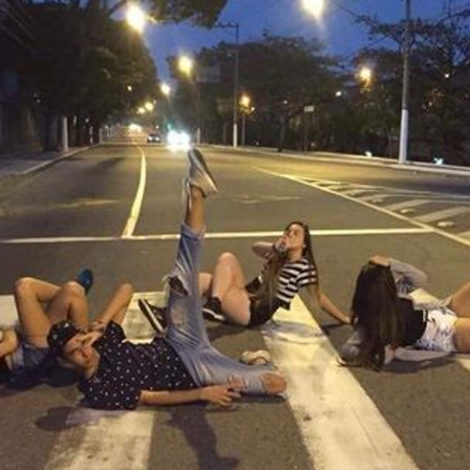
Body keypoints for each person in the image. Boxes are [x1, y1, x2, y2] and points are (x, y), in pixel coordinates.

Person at [47, 149, 286, 410]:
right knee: (276, 384)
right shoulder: (97, 388)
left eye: (81, 343)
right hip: (197, 372)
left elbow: (126, 290)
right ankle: (256, 360)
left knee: (184, 273)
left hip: (178, 340)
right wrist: (203, 393)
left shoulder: (103, 344)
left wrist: (100, 327)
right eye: (75, 352)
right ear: (66, 362)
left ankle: (196, 190)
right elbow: (150, 397)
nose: (85, 351)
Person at [199, 222, 350, 326]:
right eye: (288, 232)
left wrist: (343, 318)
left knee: (206, 278)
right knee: (223, 262)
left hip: (252, 311)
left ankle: (215, 304)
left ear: (304, 244)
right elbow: (255, 247)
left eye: (296, 234)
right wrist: (274, 247)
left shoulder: (303, 267)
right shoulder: (278, 256)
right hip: (245, 296)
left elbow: (318, 296)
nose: (290, 235)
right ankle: (214, 303)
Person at [341, 255, 470, 370]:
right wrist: (386, 351)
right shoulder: (369, 322)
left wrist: (390, 263)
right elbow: (348, 350)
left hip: (443, 310)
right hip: (445, 333)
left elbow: (420, 279)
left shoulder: (396, 292)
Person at [0, 270, 92, 377]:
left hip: (26, 341)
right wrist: (8, 334)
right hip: (28, 355)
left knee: (73, 290)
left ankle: (86, 345)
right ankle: (81, 354)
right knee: (23, 287)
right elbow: (10, 343)